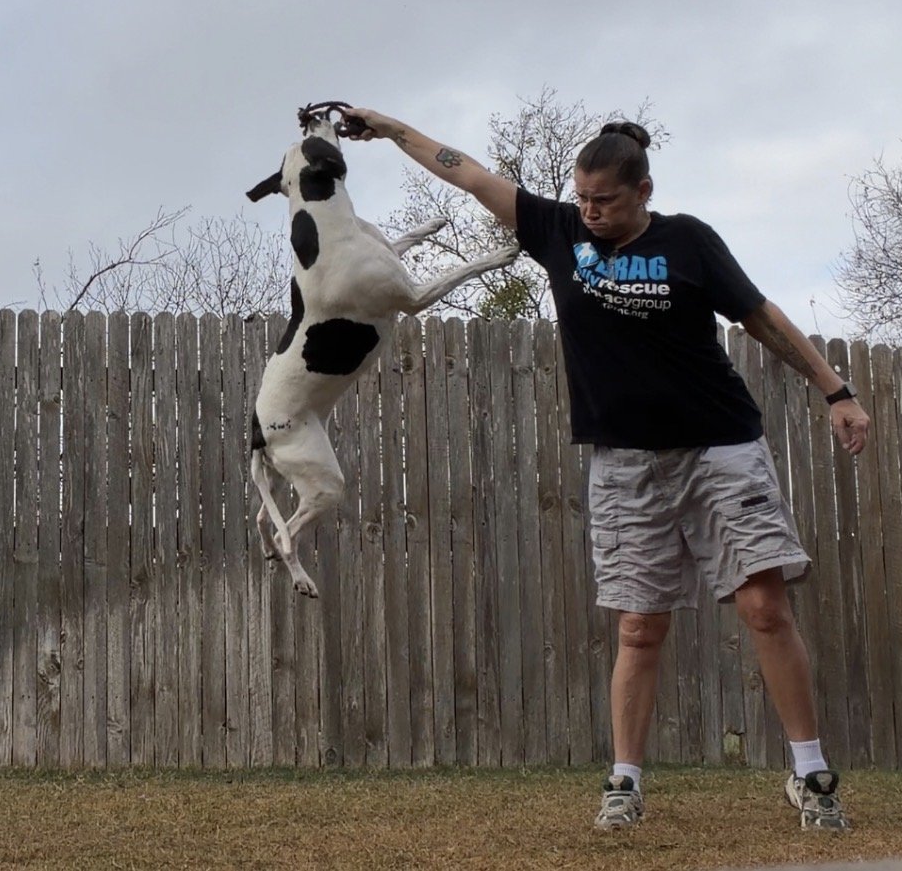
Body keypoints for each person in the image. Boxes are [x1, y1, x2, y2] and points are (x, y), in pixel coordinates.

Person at [342, 105, 870, 832]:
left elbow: (760, 316)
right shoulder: (558, 231)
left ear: (643, 191)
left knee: (764, 607)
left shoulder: (689, 242)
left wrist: (834, 389)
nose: (590, 212)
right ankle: (624, 779)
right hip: (623, 464)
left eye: (606, 201)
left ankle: (811, 774)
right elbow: (464, 173)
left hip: (720, 447)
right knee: (638, 628)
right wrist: (389, 129)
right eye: (582, 198)